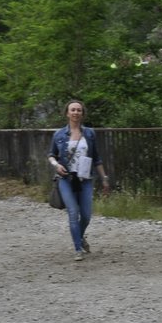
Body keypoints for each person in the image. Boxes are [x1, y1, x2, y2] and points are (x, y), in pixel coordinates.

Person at [48, 100, 110, 261]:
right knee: (73, 213)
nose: (75, 112)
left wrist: (104, 178)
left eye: (78, 110)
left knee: (86, 215)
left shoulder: (89, 133)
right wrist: (56, 165)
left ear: (82, 114)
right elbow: (51, 155)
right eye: (72, 110)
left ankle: (80, 237)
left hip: (85, 179)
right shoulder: (59, 134)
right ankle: (77, 249)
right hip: (66, 179)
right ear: (67, 113)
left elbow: (96, 158)